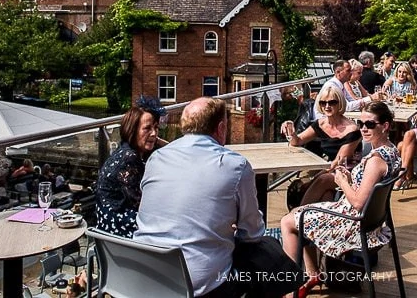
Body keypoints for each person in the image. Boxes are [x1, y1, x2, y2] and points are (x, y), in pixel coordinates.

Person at [134, 97, 265, 297]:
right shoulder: (235, 165)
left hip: (144, 276)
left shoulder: (156, 158)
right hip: (199, 286)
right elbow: (252, 232)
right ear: (221, 128)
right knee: (267, 257)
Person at [280, 102, 402, 297]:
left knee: (288, 221)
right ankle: (313, 274)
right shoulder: (392, 152)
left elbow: (359, 203)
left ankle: (291, 289)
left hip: (353, 223)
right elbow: (369, 189)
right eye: (360, 123)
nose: (364, 129)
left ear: (385, 126)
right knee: (320, 197)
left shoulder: (376, 160)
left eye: (370, 124)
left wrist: (342, 181)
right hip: (373, 221)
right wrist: (351, 177)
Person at [95, 95, 167, 238]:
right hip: (118, 229)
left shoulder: (127, 149)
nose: (153, 133)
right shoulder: (129, 158)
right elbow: (142, 204)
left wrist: (155, 140)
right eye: (147, 128)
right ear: (132, 129)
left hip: (107, 223)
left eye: (156, 128)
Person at [282, 86, 362, 204]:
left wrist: (312, 181)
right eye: (323, 103)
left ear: (340, 103)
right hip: (331, 172)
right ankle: (320, 220)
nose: (327, 106)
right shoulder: (321, 124)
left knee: (322, 180)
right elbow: (297, 141)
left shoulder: (352, 130)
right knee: (326, 195)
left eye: (332, 102)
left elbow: (338, 162)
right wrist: (290, 130)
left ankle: (297, 214)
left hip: (349, 173)